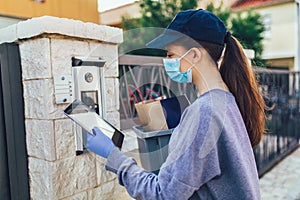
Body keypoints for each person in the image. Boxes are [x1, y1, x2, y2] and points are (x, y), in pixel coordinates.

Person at [87, 9, 266, 199]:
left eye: (170, 55)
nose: (166, 61)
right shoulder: (226, 99)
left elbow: (162, 194)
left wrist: (112, 154)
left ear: (195, 55)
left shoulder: (204, 112)